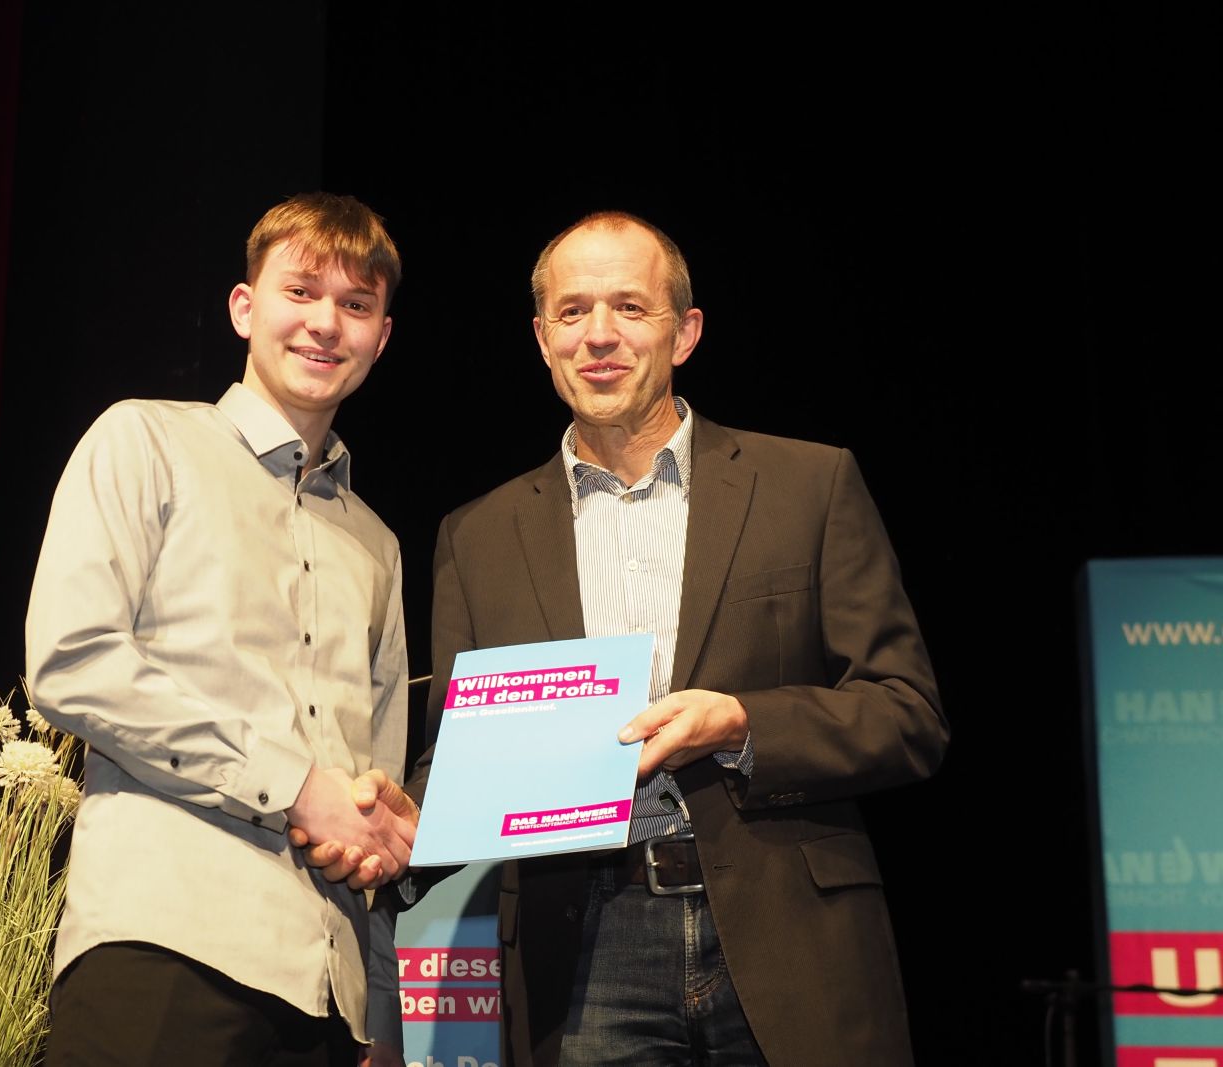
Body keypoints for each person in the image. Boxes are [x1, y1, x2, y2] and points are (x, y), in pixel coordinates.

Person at [309, 209, 948, 1066]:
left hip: (787, 933)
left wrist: (742, 723)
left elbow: (908, 713)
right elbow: (465, 751)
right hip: (581, 950)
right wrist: (413, 816)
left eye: (629, 308)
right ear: (542, 338)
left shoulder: (808, 484)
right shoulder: (478, 534)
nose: (599, 335)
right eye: (572, 312)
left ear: (685, 331)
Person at [24, 191, 416, 1066]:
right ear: (244, 307)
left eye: (355, 305)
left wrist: (382, 848)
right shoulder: (144, 442)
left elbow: (372, 779)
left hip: (326, 994)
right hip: (165, 945)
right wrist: (294, 784)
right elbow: (73, 662)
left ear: (381, 336)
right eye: (301, 291)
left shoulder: (378, 545)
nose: (326, 323)